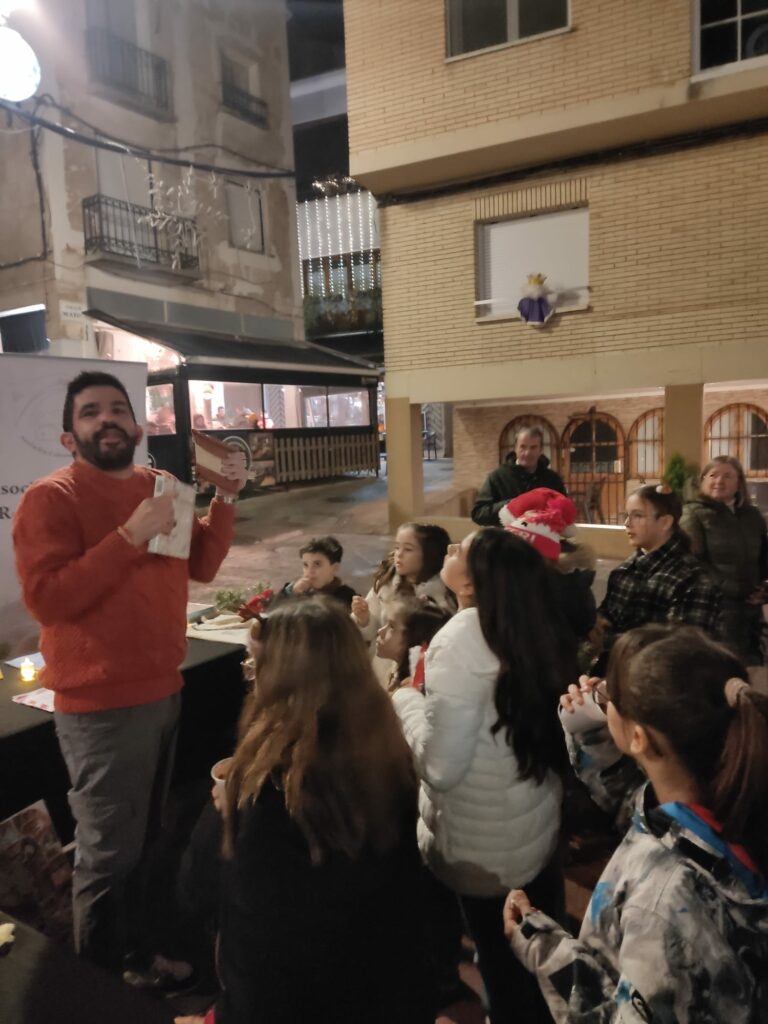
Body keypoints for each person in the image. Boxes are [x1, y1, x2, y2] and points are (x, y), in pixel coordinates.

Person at [12, 370, 247, 980]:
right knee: (108, 855)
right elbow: (49, 600)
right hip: (99, 706)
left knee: (146, 842)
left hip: (164, 689)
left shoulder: (162, 488)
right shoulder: (51, 498)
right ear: (69, 437)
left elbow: (202, 564)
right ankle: (98, 988)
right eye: (90, 412)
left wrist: (225, 499)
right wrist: (128, 535)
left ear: (138, 429)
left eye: (118, 409)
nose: (107, 419)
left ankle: (138, 958)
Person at [505, 625, 768, 1023]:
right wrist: (594, 731)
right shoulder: (735, 791)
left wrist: (542, 946)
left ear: (640, 738)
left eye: (613, 697)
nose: (600, 694)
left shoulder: (661, 904)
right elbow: (636, 803)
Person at [203, 599, 434, 1024]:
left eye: (256, 665)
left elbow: (255, 941)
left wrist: (225, 816)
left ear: (285, 678)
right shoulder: (388, 753)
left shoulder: (274, 791)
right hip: (385, 984)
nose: (251, 678)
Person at [393, 528, 576, 1024]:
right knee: (539, 958)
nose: (450, 550)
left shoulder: (459, 640)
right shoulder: (530, 622)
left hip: (484, 847)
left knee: (502, 969)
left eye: (461, 550)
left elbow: (441, 768)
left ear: (473, 583)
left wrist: (405, 701)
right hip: (532, 823)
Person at [593, 484, 721, 672]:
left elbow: (683, 650)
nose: (627, 523)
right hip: (613, 674)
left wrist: (608, 640)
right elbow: (607, 618)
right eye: (627, 515)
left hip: (656, 681)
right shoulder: (625, 570)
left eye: (637, 516)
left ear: (665, 522)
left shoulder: (692, 579)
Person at [681, 455, 768, 666]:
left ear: (739, 483)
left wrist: (765, 588)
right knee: (721, 666)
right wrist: (732, 589)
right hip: (716, 608)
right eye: (713, 475)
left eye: (728, 476)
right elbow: (693, 562)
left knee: (752, 665)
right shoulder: (693, 513)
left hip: (751, 608)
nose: (719, 481)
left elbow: (764, 556)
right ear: (703, 480)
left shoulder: (752, 515)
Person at [351, 523, 454, 677]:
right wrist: (364, 619)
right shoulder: (387, 584)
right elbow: (374, 628)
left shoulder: (441, 598)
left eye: (408, 549)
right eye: (397, 547)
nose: (399, 554)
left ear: (429, 554)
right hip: (380, 670)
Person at [471, 425, 566, 526]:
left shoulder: (553, 479)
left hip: (543, 535)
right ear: (515, 448)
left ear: (541, 450)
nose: (527, 453)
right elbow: (478, 514)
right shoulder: (497, 477)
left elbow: (565, 512)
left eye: (533, 447)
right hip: (507, 535)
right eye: (522, 447)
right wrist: (512, 505)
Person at [375, 596, 452, 692]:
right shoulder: (393, 672)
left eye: (392, 627)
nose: (380, 631)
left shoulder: (416, 692)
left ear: (414, 639)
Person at [278, 535, 357, 608]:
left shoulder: (347, 597)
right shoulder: (291, 591)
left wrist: (360, 616)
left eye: (317, 564)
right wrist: (293, 594)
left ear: (335, 568)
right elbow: (275, 613)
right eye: (305, 565)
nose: (310, 571)